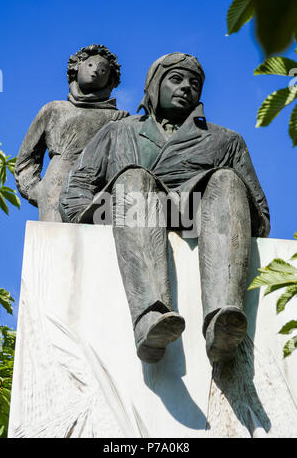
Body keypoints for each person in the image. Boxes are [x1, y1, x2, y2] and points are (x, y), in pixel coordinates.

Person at [59, 52, 270, 364]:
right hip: (133, 210)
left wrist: (231, 208)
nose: (186, 87)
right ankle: (150, 317)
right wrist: (91, 220)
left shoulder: (227, 140)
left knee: (226, 178)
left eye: (194, 83)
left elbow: (260, 215)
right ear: (154, 86)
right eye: (176, 79)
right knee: (134, 178)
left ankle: (222, 320)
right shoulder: (119, 131)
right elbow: (76, 190)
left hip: (200, 214)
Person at [15, 44, 129, 221]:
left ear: (110, 80)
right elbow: (27, 158)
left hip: (98, 188)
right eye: (90, 65)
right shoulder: (53, 109)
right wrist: (35, 190)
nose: (96, 71)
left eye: (103, 70)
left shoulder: (117, 117)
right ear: (77, 68)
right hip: (56, 184)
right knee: (54, 242)